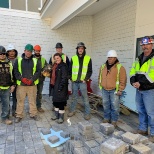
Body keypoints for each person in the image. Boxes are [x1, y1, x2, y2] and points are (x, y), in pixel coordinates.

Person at [130, 36, 154, 142]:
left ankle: (153, 133)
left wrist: (140, 83)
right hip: (139, 89)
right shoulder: (139, 58)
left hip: (149, 90)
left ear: (152, 45)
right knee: (141, 110)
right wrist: (133, 81)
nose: (145, 47)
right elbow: (133, 71)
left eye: (147, 44)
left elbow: (152, 76)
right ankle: (143, 129)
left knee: (151, 112)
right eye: (143, 45)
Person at [98, 50, 127, 127]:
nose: (109, 59)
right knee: (105, 105)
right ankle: (106, 118)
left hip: (114, 90)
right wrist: (100, 85)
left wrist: (120, 89)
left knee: (115, 106)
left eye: (111, 57)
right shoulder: (103, 66)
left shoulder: (120, 67)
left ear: (115, 58)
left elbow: (123, 79)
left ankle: (114, 120)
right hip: (104, 89)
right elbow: (100, 77)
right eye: (109, 57)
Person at [14, 44, 41, 123]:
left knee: (32, 100)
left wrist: (32, 79)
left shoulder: (36, 60)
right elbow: (15, 71)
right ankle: (19, 115)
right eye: (27, 51)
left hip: (32, 85)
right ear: (24, 51)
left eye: (30, 51)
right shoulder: (18, 60)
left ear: (32, 52)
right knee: (20, 100)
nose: (28, 53)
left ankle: (33, 114)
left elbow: (38, 71)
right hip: (21, 85)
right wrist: (22, 79)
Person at [68, 42, 92, 120]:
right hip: (74, 82)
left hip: (82, 82)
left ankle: (87, 113)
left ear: (84, 49)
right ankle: (72, 110)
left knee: (85, 98)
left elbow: (89, 71)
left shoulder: (88, 58)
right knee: (74, 97)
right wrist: (71, 78)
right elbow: (70, 70)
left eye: (82, 48)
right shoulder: (73, 58)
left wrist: (86, 79)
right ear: (77, 50)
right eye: (79, 48)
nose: (80, 50)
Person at [50, 53, 68, 123]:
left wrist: (60, 87)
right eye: (55, 58)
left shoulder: (63, 66)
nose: (56, 59)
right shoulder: (55, 65)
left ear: (61, 58)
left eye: (58, 58)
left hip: (61, 87)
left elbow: (64, 78)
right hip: (55, 86)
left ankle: (61, 117)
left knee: (61, 103)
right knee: (56, 102)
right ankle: (56, 115)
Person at [0, 46, 15, 125]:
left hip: (6, 88)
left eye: (3, 53)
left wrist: (13, 85)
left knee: (6, 104)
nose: (2, 55)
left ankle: (4, 117)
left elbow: (12, 75)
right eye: (0, 54)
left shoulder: (9, 63)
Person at [33, 45, 47, 112]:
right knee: (32, 94)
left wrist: (45, 71)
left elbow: (47, 68)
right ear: (34, 51)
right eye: (36, 50)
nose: (37, 52)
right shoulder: (31, 58)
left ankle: (39, 106)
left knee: (39, 93)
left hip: (40, 80)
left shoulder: (43, 59)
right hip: (33, 80)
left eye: (38, 51)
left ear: (40, 51)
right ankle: (33, 107)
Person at [6, 44, 18, 116]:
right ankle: (7, 112)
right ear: (7, 52)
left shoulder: (18, 60)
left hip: (16, 82)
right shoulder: (5, 60)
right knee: (6, 99)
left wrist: (15, 83)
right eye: (10, 51)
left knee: (15, 98)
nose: (11, 53)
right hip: (6, 83)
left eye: (13, 51)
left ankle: (14, 111)